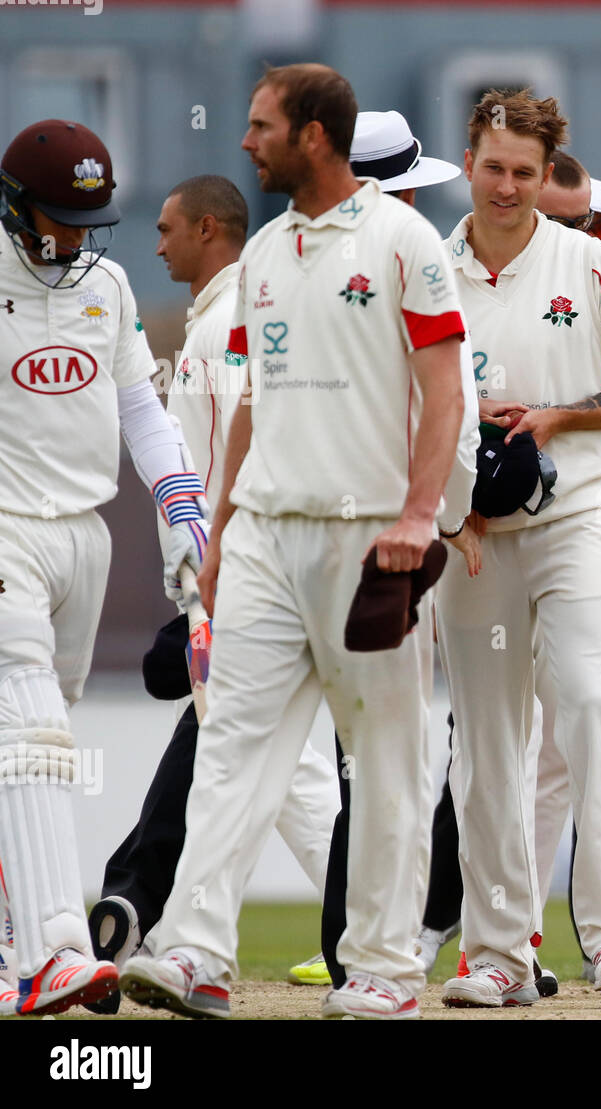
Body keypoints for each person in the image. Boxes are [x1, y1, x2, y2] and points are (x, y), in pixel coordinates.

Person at [119, 63, 471, 1020]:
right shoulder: (266, 254)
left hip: (371, 539)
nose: (246, 140)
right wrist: (224, 529)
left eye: (261, 124)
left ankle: (385, 968)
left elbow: (445, 390)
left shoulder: (405, 242)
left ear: (314, 135)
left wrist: (416, 515)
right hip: (269, 533)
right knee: (232, 744)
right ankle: (195, 951)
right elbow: (245, 410)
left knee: (386, 756)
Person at [437, 89, 601, 1007]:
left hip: (576, 511)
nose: (507, 187)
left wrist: (561, 417)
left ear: (547, 175)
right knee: (486, 740)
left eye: (525, 173)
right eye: (494, 168)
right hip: (475, 532)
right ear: (470, 162)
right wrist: (452, 500)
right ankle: (497, 952)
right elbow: (402, 393)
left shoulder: (590, 263)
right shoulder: (429, 264)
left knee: (590, 704)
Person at [85, 175, 342, 1014]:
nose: (155, 246)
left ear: (209, 228)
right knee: (243, 758)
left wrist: (212, 571)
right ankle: (189, 932)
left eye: (167, 229)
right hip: (225, 575)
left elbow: (239, 454)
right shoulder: (219, 319)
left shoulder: (230, 323)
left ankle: (380, 921)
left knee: (275, 766)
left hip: (238, 577)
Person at [0, 119, 209, 1016]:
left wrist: (183, 514)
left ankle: (13, 947)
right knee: (31, 735)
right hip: (5, 527)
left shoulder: (109, 285)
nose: (76, 238)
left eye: (89, 220)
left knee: (34, 744)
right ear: (14, 206)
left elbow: (142, 414)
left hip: (84, 534)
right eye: (58, 219)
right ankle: (54, 949)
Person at [306, 108, 479, 992]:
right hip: (398, 545)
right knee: (398, 761)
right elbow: (451, 411)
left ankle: (352, 948)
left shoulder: (295, 264)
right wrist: (447, 522)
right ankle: (385, 954)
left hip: (301, 536)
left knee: (351, 758)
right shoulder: (417, 260)